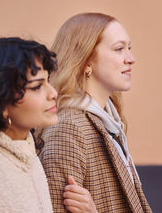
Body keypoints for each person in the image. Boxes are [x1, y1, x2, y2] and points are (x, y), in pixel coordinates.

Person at [0, 37, 97, 213]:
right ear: (2, 104)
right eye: (37, 86)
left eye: (48, 81)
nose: (53, 93)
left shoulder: (28, 159)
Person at [38, 13, 152, 213]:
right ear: (86, 60)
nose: (131, 59)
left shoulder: (109, 122)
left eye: (129, 48)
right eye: (119, 49)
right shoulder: (69, 128)